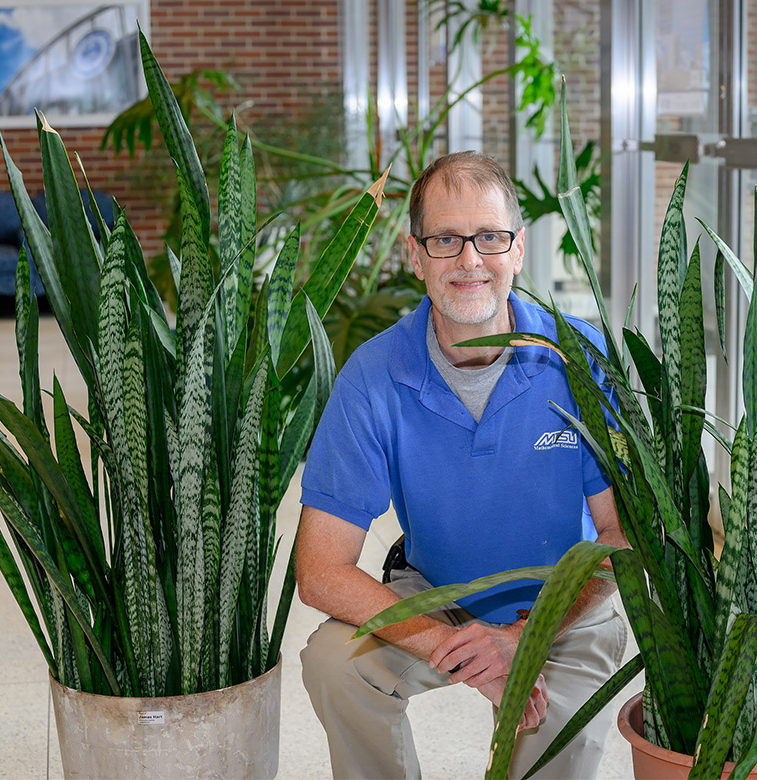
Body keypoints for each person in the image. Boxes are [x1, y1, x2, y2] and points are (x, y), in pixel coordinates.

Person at [296, 151, 628, 780]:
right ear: (415, 255)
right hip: (437, 593)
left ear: (518, 248)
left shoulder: (579, 356)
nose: (470, 260)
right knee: (333, 665)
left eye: (490, 237)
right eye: (446, 239)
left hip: (569, 605)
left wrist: (524, 639)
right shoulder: (372, 375)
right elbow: (320, 570)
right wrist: (452, 647)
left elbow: (621, 536)